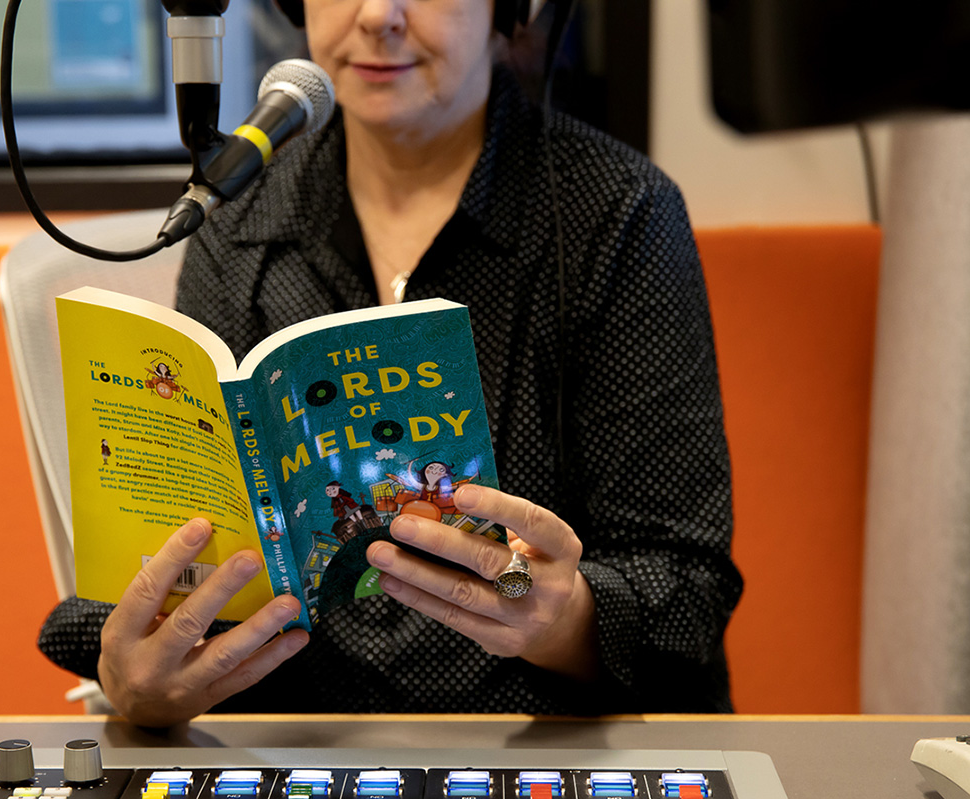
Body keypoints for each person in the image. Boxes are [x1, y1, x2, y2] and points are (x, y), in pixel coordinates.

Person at [38, 0, 742, 725]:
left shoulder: (619, 212)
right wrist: (142, 676)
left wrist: (563, 620)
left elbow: (685, 586)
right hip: (310, 761)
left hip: (551, 751)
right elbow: (200, 563)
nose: (378, 15)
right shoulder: (241, 222)